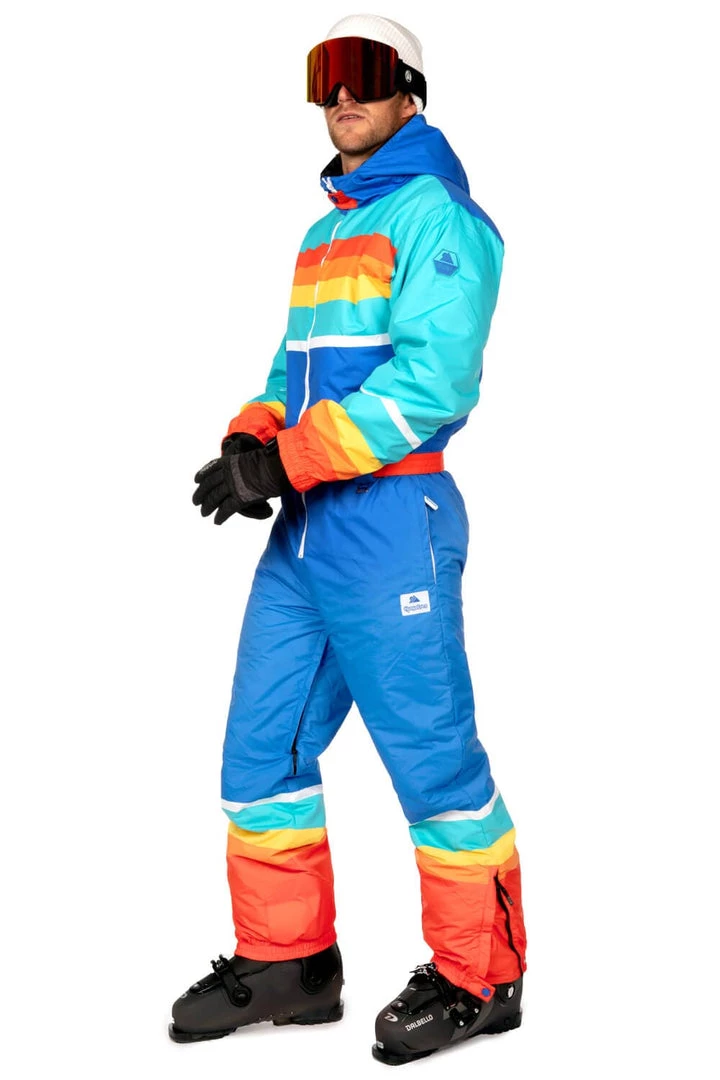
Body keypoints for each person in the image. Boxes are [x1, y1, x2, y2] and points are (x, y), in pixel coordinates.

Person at [169, 13, 528, 1065]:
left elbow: (430, 388)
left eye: (363, 73)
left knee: (431, 757)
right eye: (325, 75)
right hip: (308, 532)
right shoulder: (325, 231)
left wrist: (285, 461)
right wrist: (252, 433)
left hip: (392, 524)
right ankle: (290, 962)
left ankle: (483, 977)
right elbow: (293, 368)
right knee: (261, 749)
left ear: (410, 92)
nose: (340, 95)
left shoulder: (440, 217)